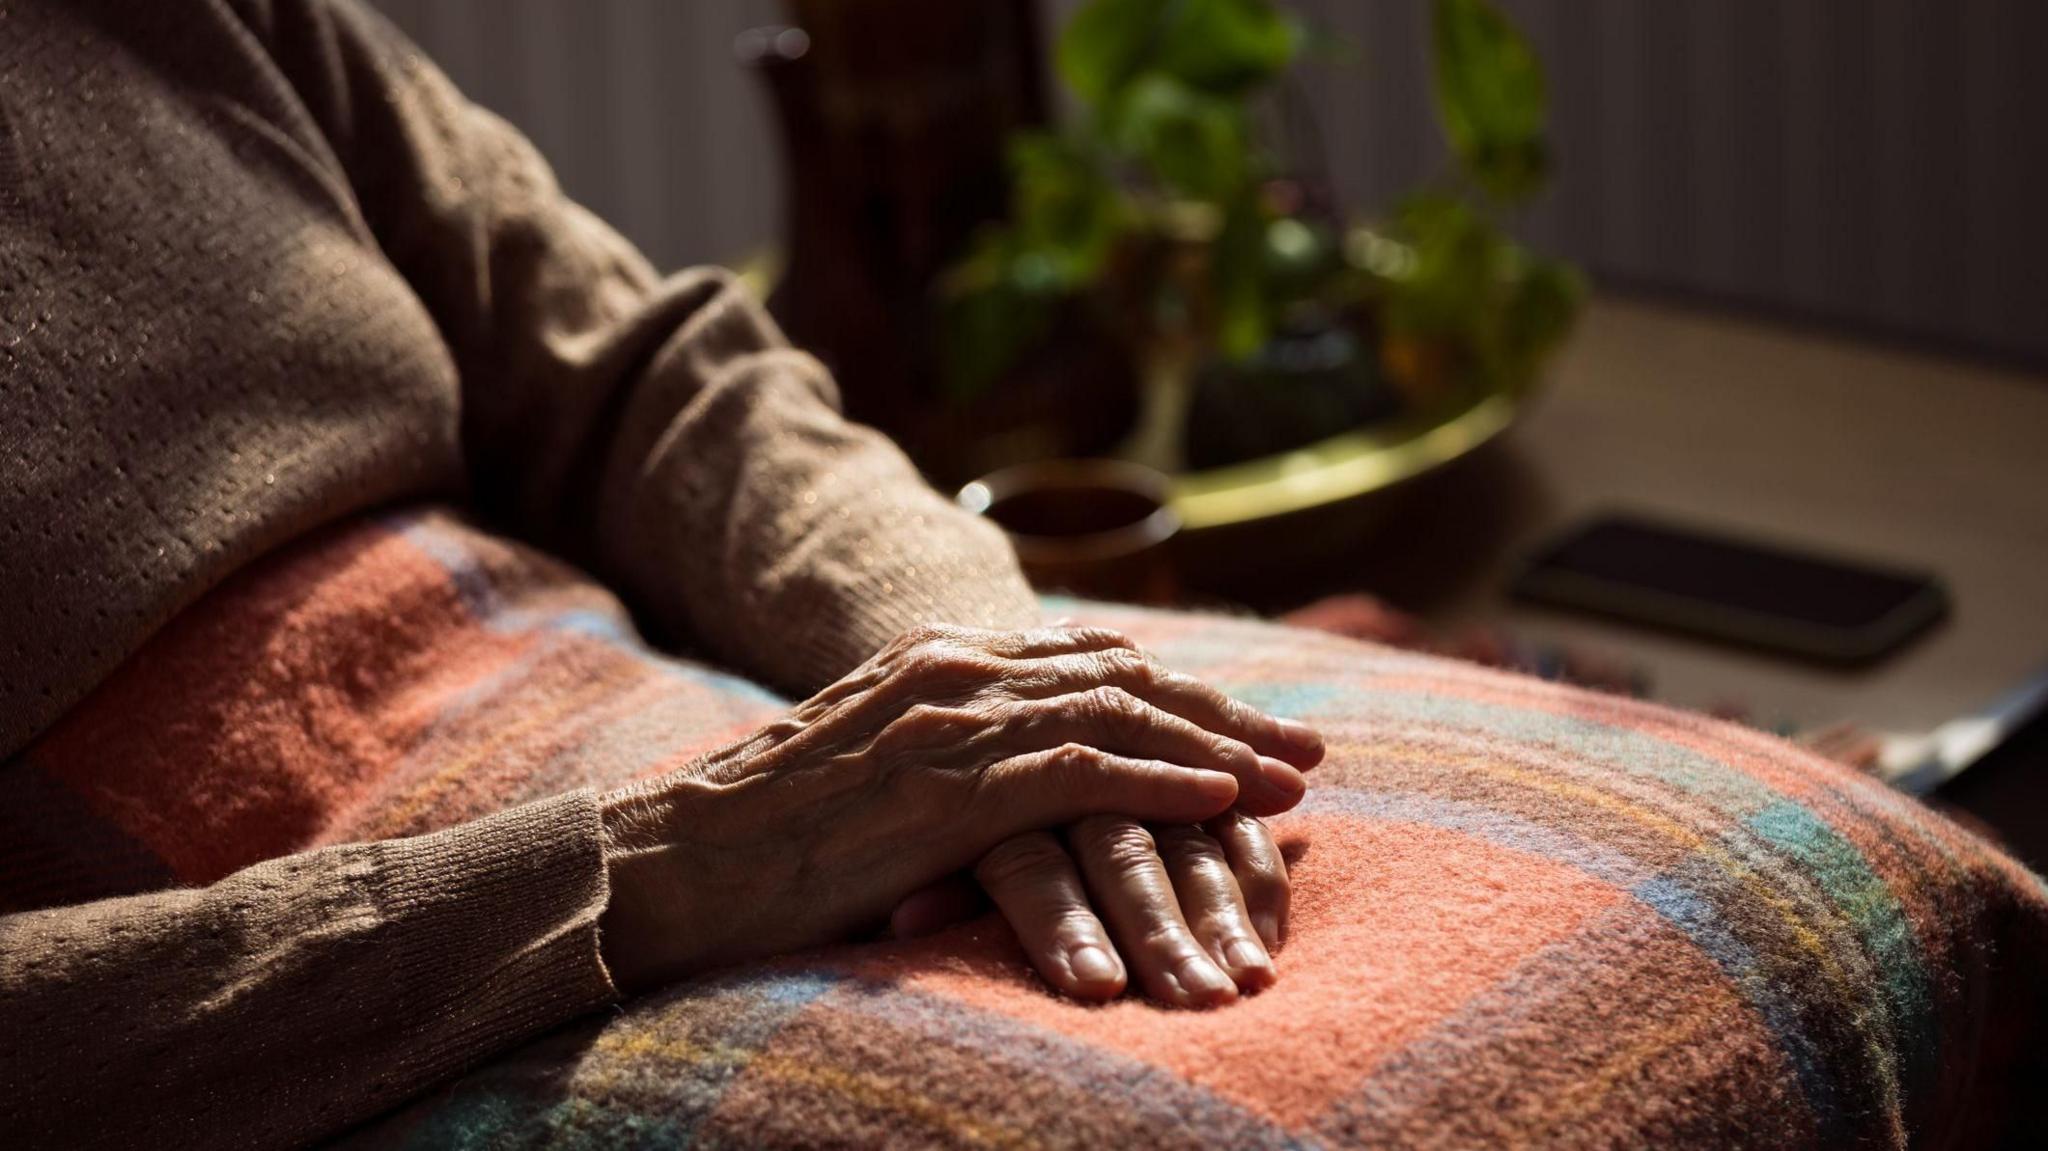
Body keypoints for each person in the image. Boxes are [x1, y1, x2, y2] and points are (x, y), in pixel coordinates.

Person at [0, 0, 1324, 1145]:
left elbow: (650, 382)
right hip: (362, 1015)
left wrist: (992, 674)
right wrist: (649, 874)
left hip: (738, 742)